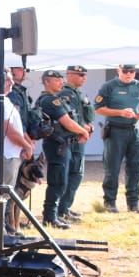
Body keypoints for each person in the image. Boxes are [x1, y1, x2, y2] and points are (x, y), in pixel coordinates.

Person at [0, 67, 35, 242]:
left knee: (4, 193)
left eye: (11, 79)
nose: (11, 82)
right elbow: (9, 131)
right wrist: (26, 146)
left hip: (9, 153)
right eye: (7, 80)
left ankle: (0, 228)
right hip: (4, 154)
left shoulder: (1, 100)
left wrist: (24, 144)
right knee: (2, 193)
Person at [94, 63, 139, 213]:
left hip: (135, 130)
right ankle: (110, 202)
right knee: (112, 168)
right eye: (125, 71)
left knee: (135, 168)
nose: (129, 74)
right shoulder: (109, 86)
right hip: (115, 131)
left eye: (132, 71)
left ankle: (134, 203)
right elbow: (99, 108)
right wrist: (120, 112)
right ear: (118, 70)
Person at [35, 70, 87, 228]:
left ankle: (55, 214)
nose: (60, 82)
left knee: (61, 181)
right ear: (47, 82)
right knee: (57, 181)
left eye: (61, 79)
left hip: (63, 144)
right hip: (56, 145)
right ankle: (50, 217)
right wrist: (83, 131)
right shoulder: (49, 100)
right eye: (56, 80)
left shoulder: (55, 99)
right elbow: (66, 122)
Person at [56, 64, 95, 223]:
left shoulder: (78, 93)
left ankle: (65, 207)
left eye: (84, 75)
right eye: (80, 75)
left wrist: (89, 127)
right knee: (71, 174)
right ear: (69, 75)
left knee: (76, 174)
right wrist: (83, 128)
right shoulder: (65, 93)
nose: (83, 78)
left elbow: (85, 115)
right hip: (71, 139)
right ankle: (61, 209)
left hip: (80, 137)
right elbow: (69, 117)